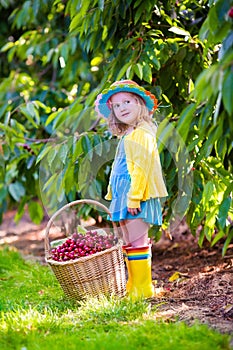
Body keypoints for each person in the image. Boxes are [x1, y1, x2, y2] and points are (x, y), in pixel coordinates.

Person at [95, 80, 168, 299]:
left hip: (136, 196)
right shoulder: (130, 134)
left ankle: (143, 288)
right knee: (128, 240)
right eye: (116, 106)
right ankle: (133, 284)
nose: (122, 108)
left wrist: (134, 198)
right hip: (125, 196)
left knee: (137, 240)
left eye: (127, 102)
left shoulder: (142, 134)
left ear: (140, 105)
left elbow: (141, 169)